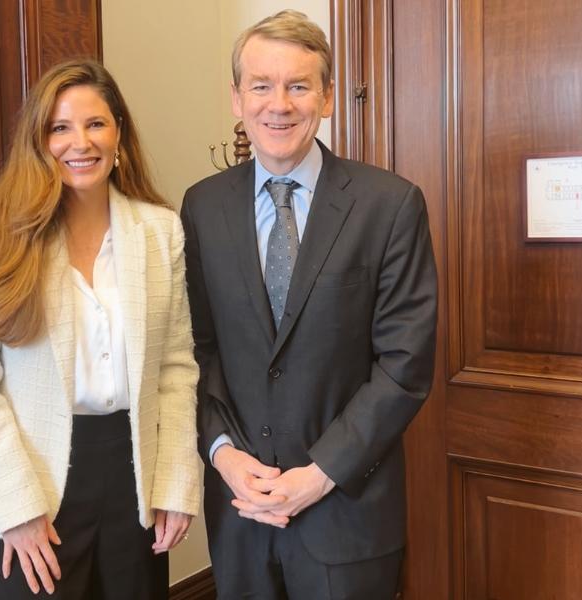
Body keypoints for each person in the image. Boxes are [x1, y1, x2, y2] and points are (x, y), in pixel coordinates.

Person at [181, 10, 437, 600]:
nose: (279, 104)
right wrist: (222, 455)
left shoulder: (389, 205)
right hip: (240, 516)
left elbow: (404, 367)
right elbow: (194, 350)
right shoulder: (201, 207)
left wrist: (318, 476)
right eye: (261, 85)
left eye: (298, 86)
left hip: (346, 516)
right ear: (236, 98)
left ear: (326, 98)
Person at [0, 59, 200, 600]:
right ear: (38, 140)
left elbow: (176, 367)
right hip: (27, 479)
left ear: (119, 134)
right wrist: (16, 508)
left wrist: (177, 482)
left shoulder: (159, 230)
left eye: (95, 124)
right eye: (59, 127)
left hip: (133, 477)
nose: (79, 142)